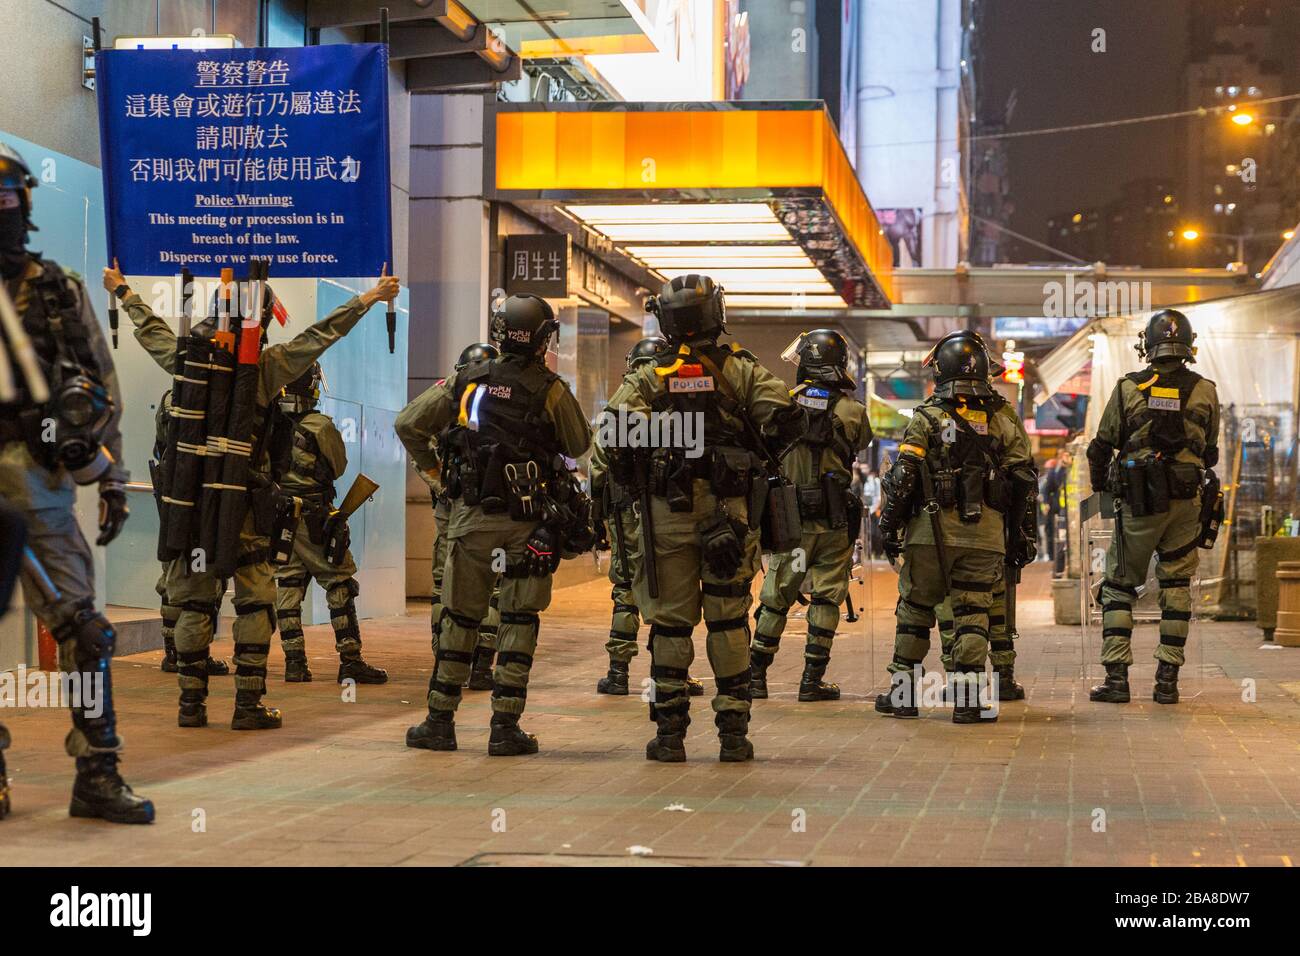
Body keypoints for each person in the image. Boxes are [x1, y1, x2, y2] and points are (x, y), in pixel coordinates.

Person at [104, 260, 400, 730]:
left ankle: (191, 704)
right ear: (259, 323)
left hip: (192, 506)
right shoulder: (266, 369)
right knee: (254, 602)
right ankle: (247, 705)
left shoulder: (186, 361)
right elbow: (321, 336)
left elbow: (151, 332)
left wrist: (123, 291)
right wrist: (368, 296)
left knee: (196, 603)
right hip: (246, 508)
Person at [0, 141, 152, 822]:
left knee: (87, 634)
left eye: (5, 201)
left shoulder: (58, 289)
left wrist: (111, 476)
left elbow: (101, 385)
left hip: (39, 480)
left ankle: (98, 771)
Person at [604, 275, 805, 762]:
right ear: (714, 314)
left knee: (670, 627)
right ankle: (733, 736)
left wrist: (670, 434)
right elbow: (787, 421)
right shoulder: (739, 368)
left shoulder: (651, 375)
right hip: (729, 515)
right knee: (728, 620)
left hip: (664, 516)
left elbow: (612, 434)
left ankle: (670, 736)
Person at [398, 295, 592, 755]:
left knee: (459, 618)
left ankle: (439, 722)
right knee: (519, 619)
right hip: (529, 524)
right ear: (543, 338)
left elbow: (409, 423)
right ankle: (505, 729)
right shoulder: (551, 388)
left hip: (471, 519)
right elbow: (580, 443)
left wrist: (436, 474)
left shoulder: (466, 380)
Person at [873, 330, 1036, 723]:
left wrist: (888, 528)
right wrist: (1020, 537)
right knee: (972, 614)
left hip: (929, 536)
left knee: (914, 611)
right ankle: (967, 702)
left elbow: (905, 477)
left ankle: (903, 697)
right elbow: (1024, 481)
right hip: (985, 539)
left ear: (940, 371)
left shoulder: (926, 417)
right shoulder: (1004, 418)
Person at [1085, 309, 1220, 705]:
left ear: (1147, 345)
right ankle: (1167, 682)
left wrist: (1105, 494)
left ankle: (1116, 680)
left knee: (1119, 586)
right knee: (1177, 585)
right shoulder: (1206, 389)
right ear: (1189, 346)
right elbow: (1209, 453)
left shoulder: (1129, 386)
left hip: (1140, 502)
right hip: (1187, 502)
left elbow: (1100, 446)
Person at [750, 329, 871, 701]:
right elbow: (861, 442)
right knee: (827, 597)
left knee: (775, 596)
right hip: (834, 523)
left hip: (790, 520)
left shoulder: (781, 405)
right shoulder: (853, 412)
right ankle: (811, 680)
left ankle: (755, 677)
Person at [590, 334, 705, 697]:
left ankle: (618, 672)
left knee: (625, 588)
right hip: (667, 513)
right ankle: (671, 674)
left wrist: (599, 519)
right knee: (672, 591)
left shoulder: (619, 409)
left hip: (625, 514)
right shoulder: (680, 415)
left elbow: (597, 470)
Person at [272, 362, 387, 684]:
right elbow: (337, 467)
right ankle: (350, 660)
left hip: (280, 517)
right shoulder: (319, 426)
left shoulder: (269, 424)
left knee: (289, 585)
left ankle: (295, 663)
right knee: (339, 583)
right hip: (314, 516)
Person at [151, 389, 230, 678]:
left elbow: (160, 445)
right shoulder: (221, 396)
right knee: (207, 579)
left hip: (174, 496)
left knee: (173, 570)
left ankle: (172, 652)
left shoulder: (171, 397)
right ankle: (195, 654)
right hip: (207, 500)